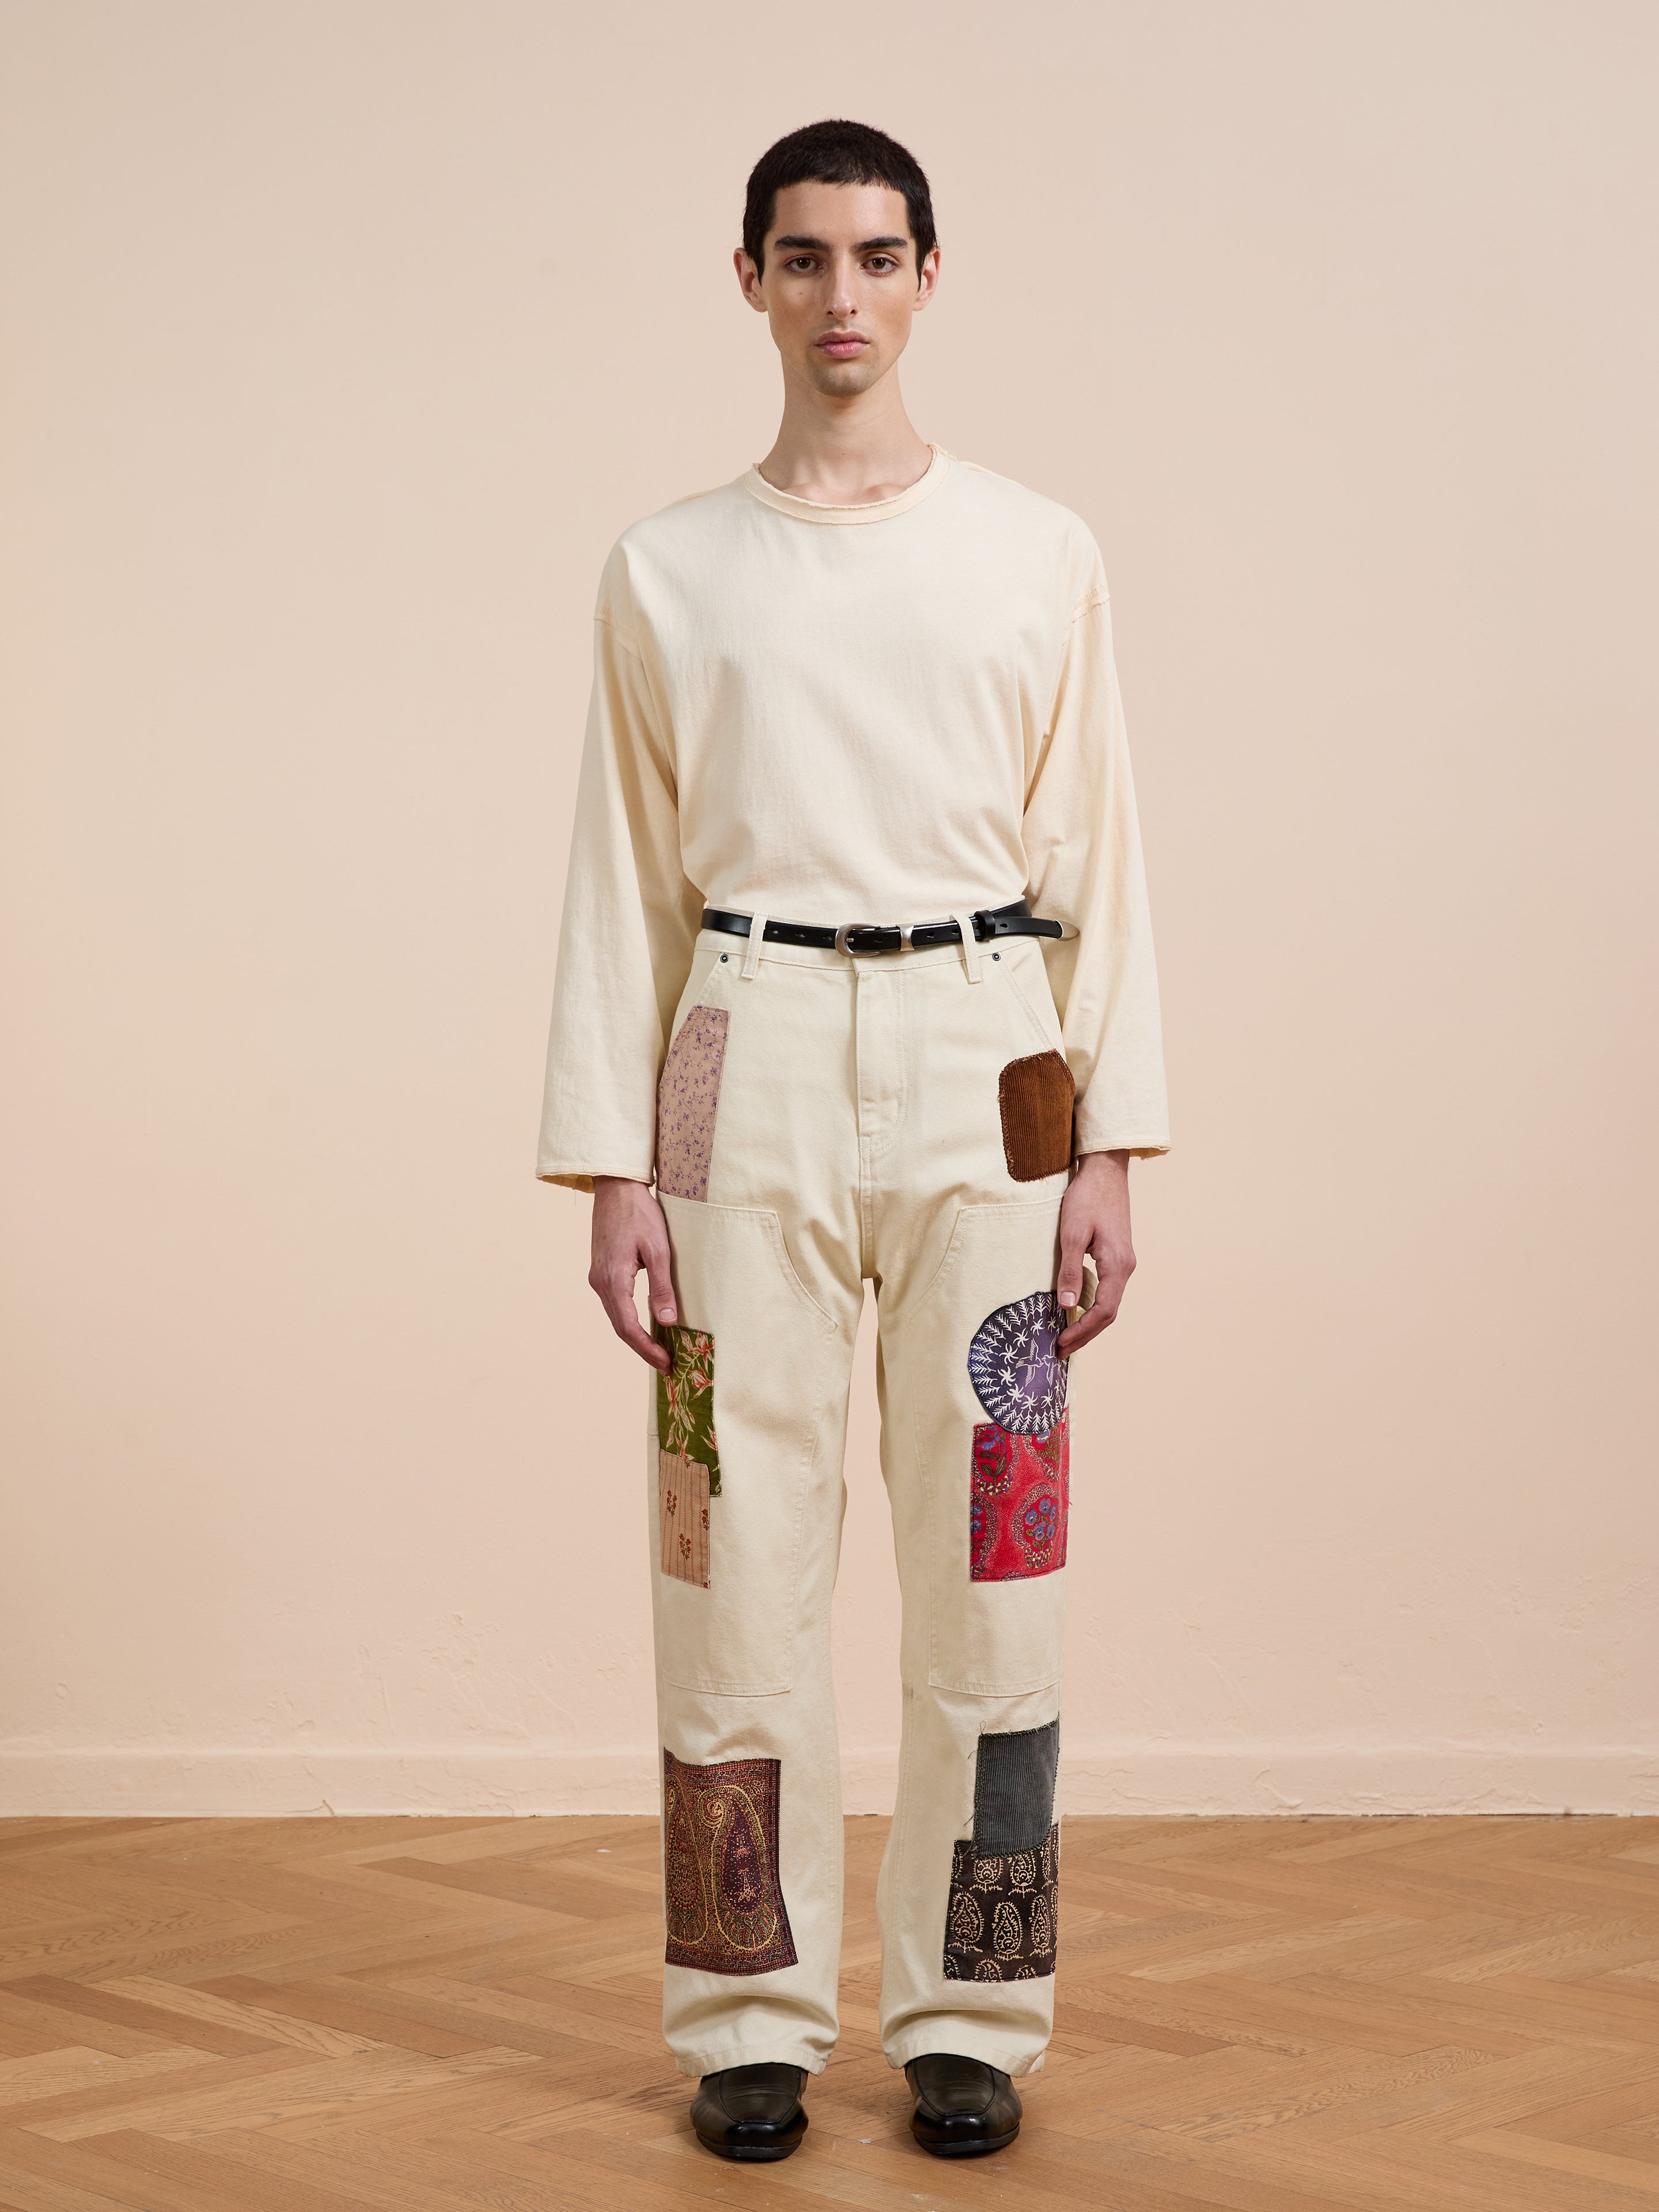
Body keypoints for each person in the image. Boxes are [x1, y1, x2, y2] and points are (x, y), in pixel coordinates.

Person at [536, 117, 1168, 2163]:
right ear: (750, 279)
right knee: (727, 1554)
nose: (842, 295)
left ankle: (976, 2005)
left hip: (998, 1050)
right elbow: (624, 876)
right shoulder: (669, 566)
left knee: (998, 1557)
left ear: (926, 277)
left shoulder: (1037, 550)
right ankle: (746, 2008)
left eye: (878, 256)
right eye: (803, 257)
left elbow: (1098, 856)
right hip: (740, 1049)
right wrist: (616, 1165)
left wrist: (1113, 1143)